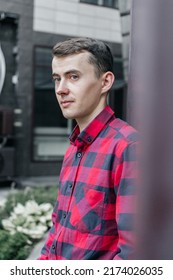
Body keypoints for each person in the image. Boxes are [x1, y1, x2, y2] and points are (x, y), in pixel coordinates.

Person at [38, 37, 138, 260]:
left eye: (73, 77)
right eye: (57, 79)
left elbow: (136, 257)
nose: (61, 89)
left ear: (105, 82)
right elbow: (57, 231)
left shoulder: (128, 148)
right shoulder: (74, 149)